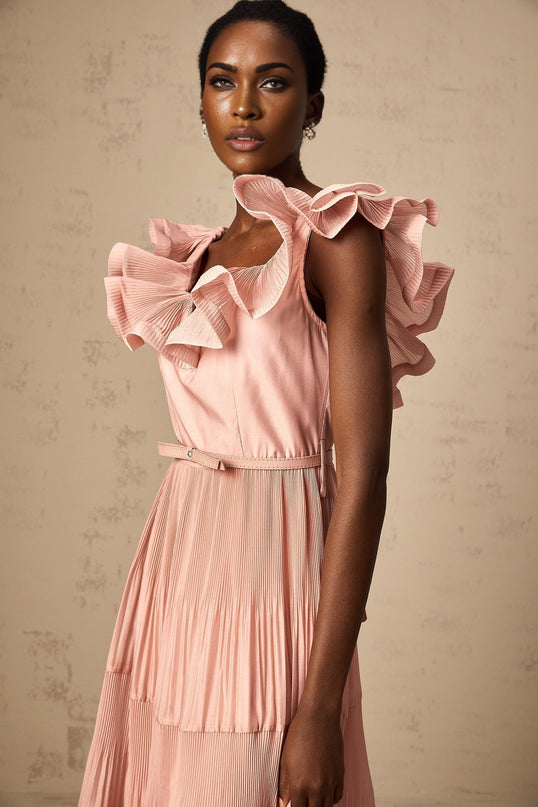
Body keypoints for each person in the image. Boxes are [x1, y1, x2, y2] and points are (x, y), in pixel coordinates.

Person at [78, 1, 454, 805]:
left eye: (273, 82)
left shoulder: (337, 239)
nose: (243, 104)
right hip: (175, 571)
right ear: (202, 99)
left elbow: (364, 475)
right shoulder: (200, 255)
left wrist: (317, 705)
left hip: (276, 580)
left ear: (312, 105)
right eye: (223, 81)